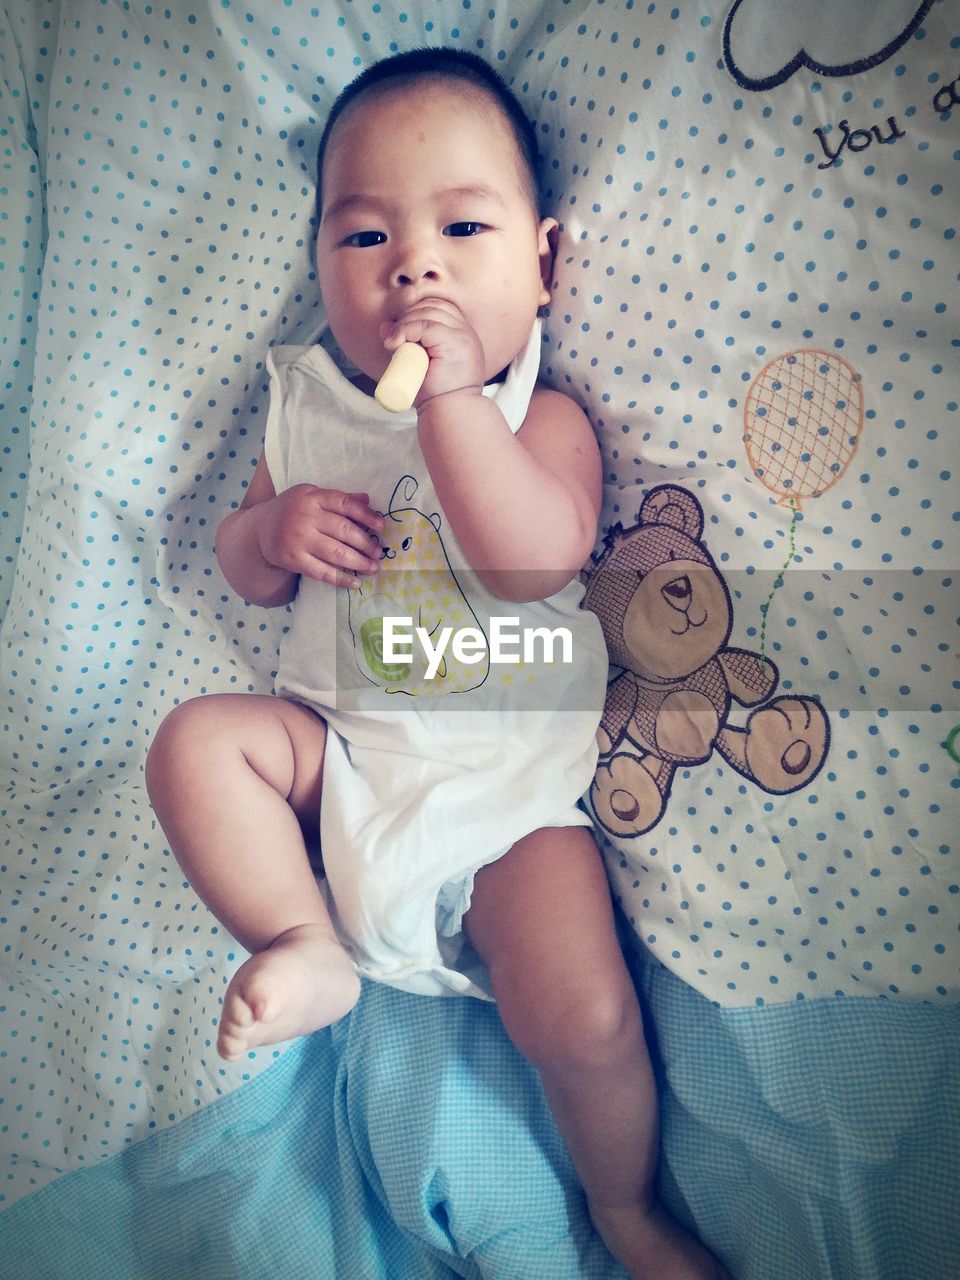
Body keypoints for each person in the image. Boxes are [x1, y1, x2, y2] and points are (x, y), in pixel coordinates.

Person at [146, 47, 727, 1280]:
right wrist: (271, 527)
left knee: (587, 1014)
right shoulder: (301, 403)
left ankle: (624, 1206)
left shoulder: (540, 415)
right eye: (364, 239)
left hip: (511, 805)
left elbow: (533, 560)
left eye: (463, 226)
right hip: (341, 764)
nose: (412, 266)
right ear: (320, 266)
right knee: (196, 742)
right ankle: (301, 938)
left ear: (546, 264)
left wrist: (455, 403)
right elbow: (243, 571)